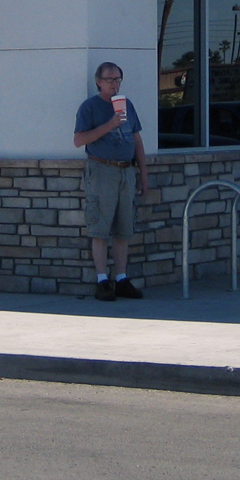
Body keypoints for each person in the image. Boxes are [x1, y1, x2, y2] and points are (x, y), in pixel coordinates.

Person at [72, 61, 149, 301]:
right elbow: (78, 140)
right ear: (98, 81)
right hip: (102, 169)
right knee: (100, 228)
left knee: (123, 229)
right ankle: (102, 280)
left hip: (125, 171)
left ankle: (122, 278)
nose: (114, 84)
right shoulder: (90, 107)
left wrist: (143, 174)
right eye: (109, 79)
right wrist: (110, 125)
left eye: (117, 79)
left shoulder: (127, 105)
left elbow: (136, 140)